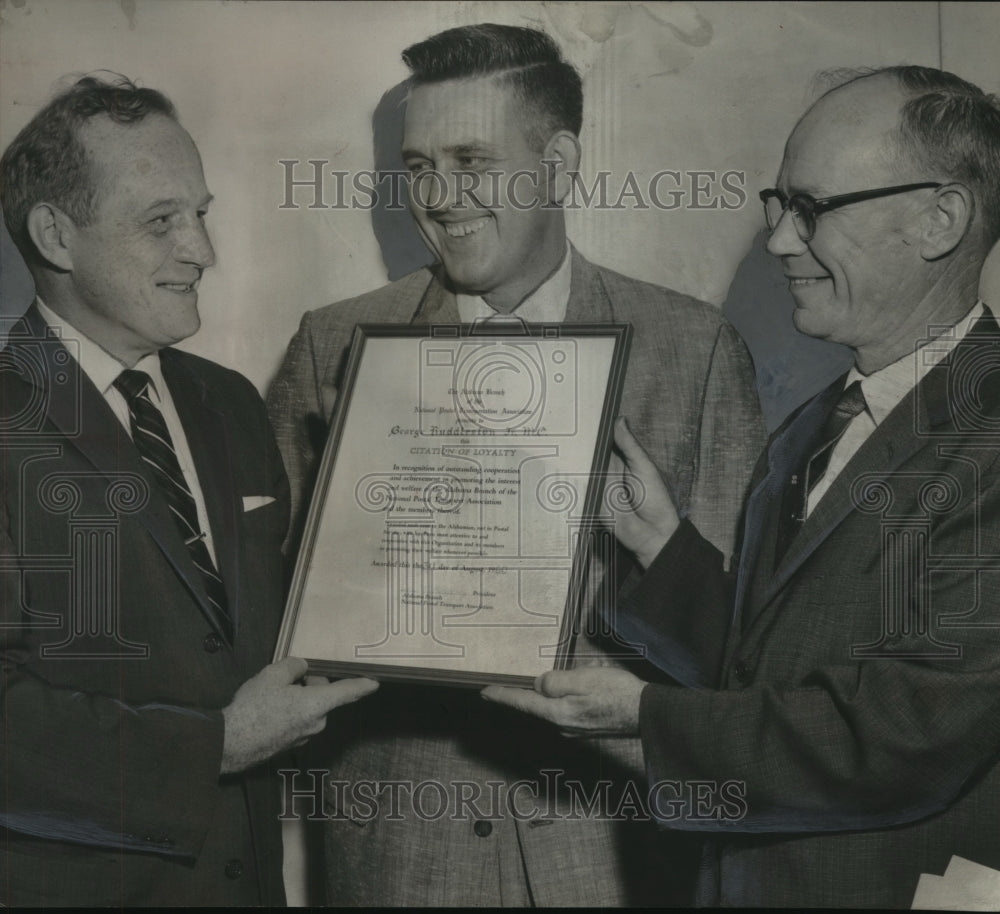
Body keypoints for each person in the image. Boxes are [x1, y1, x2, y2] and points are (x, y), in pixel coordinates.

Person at [267, 23, 764, 907]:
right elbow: (271, 633)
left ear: (559, 163)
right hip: (400, 860)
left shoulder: (696, 351)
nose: (440, 196)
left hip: (615, 854)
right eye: (417, 165)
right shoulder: (332, 346)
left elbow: (746, 652)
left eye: (472, 159)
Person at [485, 65, 1000, 907]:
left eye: (814, 208)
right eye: (779, 205)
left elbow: (901, 734)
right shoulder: (814, 424)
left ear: (940, 219)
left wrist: (643, 717)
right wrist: (661, 543)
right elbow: (775, 661)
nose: (779, 242)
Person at [0, 74, 377, 906]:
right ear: (56, 235)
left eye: (200, 214)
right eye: (161, 220)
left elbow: (279, 629)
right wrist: (215, 746)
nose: (202, 250)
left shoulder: (231, 403)